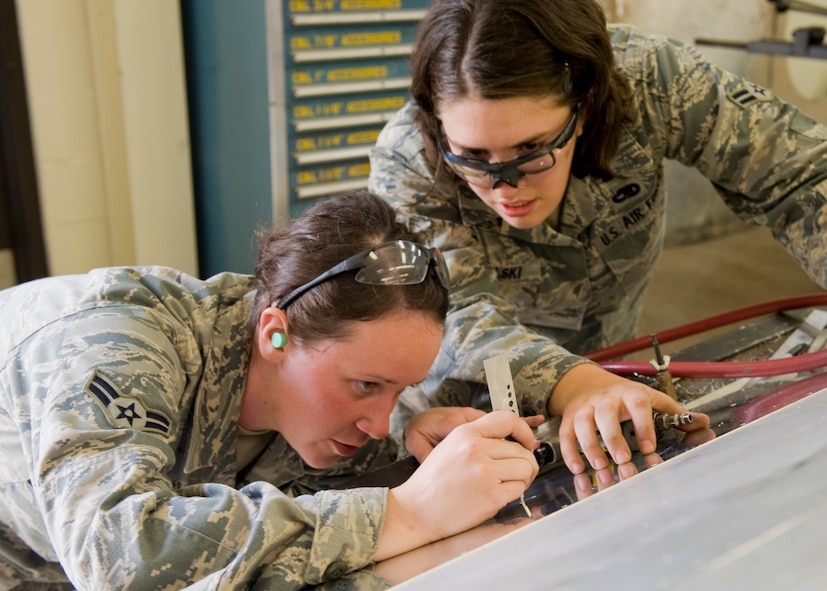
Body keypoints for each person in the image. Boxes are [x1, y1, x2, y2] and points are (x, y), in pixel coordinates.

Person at [369, 0, 827, 475]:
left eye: (532, 148)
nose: (505, 187)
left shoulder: (652, 81)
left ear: (584, 107)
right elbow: (452, 310)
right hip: (466, 414)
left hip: (615, 379)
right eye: (472, 156)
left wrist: (594, 387)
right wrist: (573, 384)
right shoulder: (408, 161)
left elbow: (802, 174)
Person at [0, 190, 541, 590]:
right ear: (275, 333)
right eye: (366, 385)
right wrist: (405, 513)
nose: (377, 422)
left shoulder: (311, 394)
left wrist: (409, 436)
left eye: (400, 391)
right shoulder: (113, 341)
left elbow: (280, 537)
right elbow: (119, 554)